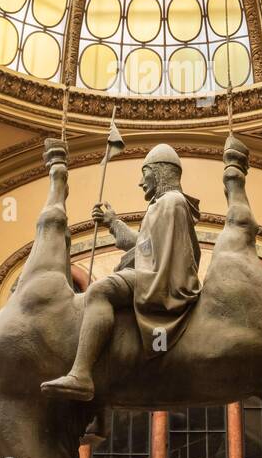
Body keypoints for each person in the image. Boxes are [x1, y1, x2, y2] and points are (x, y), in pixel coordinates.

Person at [41, 144, 201, 402]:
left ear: (158, 173)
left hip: (163, 280)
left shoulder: (170, 203)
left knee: (100, 291)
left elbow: (156, 253)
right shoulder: (166, 204)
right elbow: (146, 245)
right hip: (156, 273)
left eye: (145, 172)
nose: (140, 182)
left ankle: (81, 373)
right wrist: (113, 222)